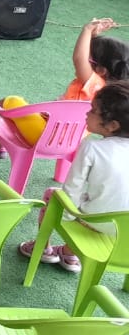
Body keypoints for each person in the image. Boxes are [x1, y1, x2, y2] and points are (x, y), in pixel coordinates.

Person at [19, 81, 129, 272]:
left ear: (112, 125)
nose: (87, 113)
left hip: (97, 221)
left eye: (93, 110)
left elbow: (71, 190)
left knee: (52, 195)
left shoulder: (91, 147)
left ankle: (42, 247)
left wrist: (68, 217)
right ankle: (69, 254)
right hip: (124, 230)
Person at [0, 18, 128, 156]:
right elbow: (84, 56)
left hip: (45, 137)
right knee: (23, 113)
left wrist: (87, 30)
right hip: (70, 142)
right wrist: (92, 36)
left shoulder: (95, 84)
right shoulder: (111, 91)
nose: (84, 61)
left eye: (88, 59)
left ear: (101, 70)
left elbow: (79, 59)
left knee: (13, 102)